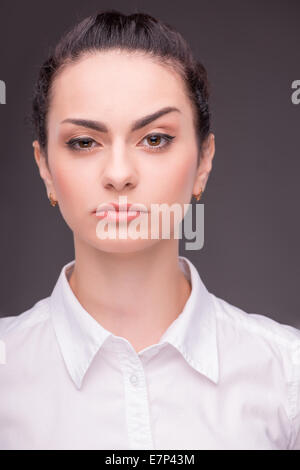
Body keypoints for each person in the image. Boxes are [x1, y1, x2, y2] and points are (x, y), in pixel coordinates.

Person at [0, 9, 299, 451]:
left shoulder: (288, 377)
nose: (119, 174)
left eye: (155, 138)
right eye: (84, 142)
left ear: (204, 161)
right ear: (45, 167)